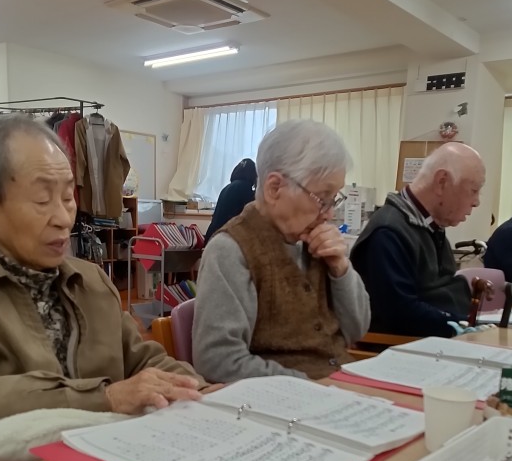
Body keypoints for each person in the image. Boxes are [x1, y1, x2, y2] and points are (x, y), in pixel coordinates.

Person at [0, 114, 208, 440]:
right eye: (42, 200)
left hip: (112, 450)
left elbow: (141, 360)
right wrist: (103, 398)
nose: (64, 219)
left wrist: (200, 392)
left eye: (68, 198)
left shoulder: (91, 280)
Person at [192, 119, 370, 382]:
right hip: (285, 396)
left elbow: (357, 330)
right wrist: (309, 385)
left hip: (341, 381)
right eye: (323, 198)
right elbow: (218, 361)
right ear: (274, 188)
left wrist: (341, 269)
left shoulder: (313, 240)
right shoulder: (230, 250)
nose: (330, 213)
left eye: (334, 199)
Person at [350, 142, 486, 338]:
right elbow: (401, 314)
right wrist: (461, 325)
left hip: (437, 339)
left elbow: (442, 290)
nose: (477, 202)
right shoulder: (388, 232)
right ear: (442, 182)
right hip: (401, 347)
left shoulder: (428, 226)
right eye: (473, 190)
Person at [203, 158, 257, 244]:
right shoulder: (244, 187)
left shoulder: (227, 187)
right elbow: (252, 213)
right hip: (224, 239)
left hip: (212, 235)